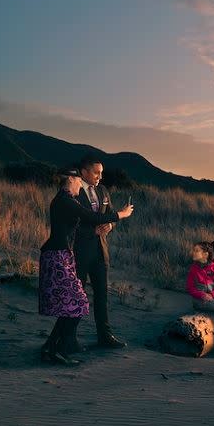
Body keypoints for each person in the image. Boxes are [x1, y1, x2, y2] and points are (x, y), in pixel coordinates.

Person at [39, 168, 134, 364]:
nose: (80, 186)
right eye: (77, 182)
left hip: (62, 254)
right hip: (57, 255)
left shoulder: (66, 200)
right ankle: (56, 349)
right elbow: (91, 217)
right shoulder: (65, 200)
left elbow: (93, 217)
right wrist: (122, 214)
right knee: (78, 303)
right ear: (70, 181)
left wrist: (108, 224)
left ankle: (51, 347)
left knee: (71, 304)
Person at [73, 155, 127, 349]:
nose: (99, 177)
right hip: (79, 250)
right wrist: (91, 230)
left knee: (102, 294)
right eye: (96, 172)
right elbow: (71, 221)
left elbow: (110, 215)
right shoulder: (73, 190)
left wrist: (110, 225)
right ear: (84, 172)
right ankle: (70, 337)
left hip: (100, 250)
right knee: (77, 294)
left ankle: (105, 337)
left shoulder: (103, 191)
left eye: (101, 173)